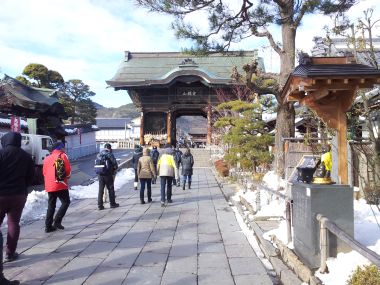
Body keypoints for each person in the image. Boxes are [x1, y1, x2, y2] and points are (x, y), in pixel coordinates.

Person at [0, 132, 34, 284]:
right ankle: (10, 253)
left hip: (1, 195)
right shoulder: (26, 156)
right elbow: (31, 177)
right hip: (19, 194)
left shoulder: (1, 154)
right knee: (13, 223)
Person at [43, 141, 71, 233]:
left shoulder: (47, 158)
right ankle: (57, 221)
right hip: (60, 184)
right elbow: (68, 171)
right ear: (60, 148)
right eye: (63, 147)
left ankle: (48, 226)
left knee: (51, 205)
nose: (65, 149)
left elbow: (44, 172)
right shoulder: (63, 156)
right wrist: (67, 177)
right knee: (66, 202)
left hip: (49, 185)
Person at [97, 143, 119, 210]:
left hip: (100, 174)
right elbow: (115, 164)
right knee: (110, 188)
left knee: (101, 190)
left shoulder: (99, 154)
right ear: (110, 148)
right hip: (108, 174)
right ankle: (112, 204)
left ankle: (100, 205)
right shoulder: (109, 154)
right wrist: (114, 169)